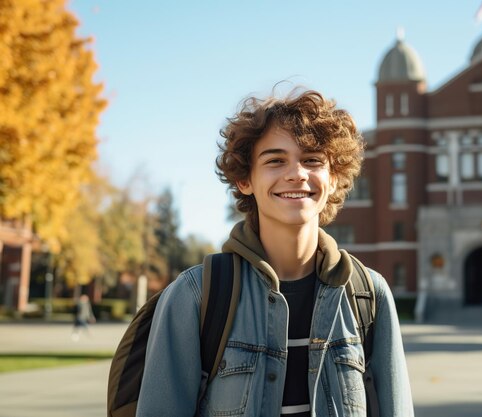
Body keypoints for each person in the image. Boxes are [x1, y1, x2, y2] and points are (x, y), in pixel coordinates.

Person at [136, 88, 414, 416]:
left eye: (312, 160)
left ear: (334, 177)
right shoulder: (196, 296)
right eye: (275, 160)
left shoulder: (369, 296)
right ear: (245, 180)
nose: (296, 173)